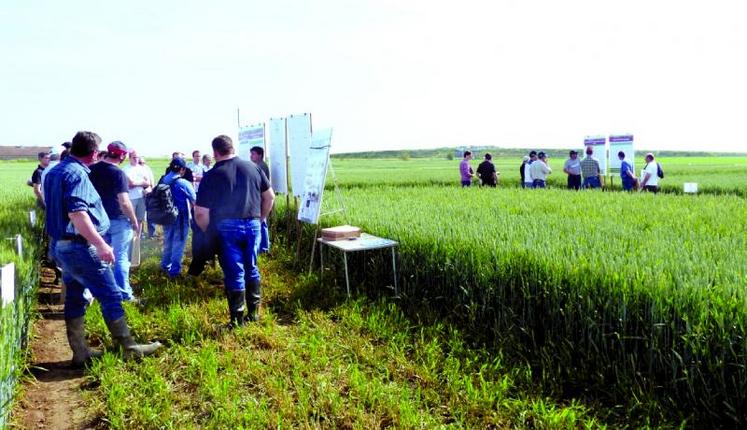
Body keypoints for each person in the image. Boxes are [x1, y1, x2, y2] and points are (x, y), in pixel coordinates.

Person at [44, 131, 160, 366]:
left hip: (62, 246)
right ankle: (128, 347)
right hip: (80, 246)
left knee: (75, 297)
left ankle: (80, 352)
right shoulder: (77, 174)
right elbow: (77, 213)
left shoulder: (55, 171)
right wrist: (101, 244)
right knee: (110, 295)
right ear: (95, 153)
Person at [195, 135, 274, 326]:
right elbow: (270, 197)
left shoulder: (212, 175)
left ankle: (237, 321)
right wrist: (260, 219)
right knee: (252, 268)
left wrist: (209, 231)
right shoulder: (253, 167)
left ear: (215, 152)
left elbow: (200, 213)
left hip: (226, 227)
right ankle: (253, 315)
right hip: (253, 224)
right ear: (232, 148)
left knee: (234, 273)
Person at [88, 141, 140, 302]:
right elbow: (124, 201)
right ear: (122, 156)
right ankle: (124, 294)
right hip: (118, 219)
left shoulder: (91, 169)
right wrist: (133, 220)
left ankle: (102, 292)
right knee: (121, 257)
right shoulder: (118, 173)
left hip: (97, 220)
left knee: (100, 257)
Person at [159, 157, 196, 278]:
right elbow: (195, 200)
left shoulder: (163, 180)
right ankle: (174, 272)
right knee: (178, 244)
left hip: (166, 216)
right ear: (182, 169)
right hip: (180, 217)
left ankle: (165, 265)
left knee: (168, 241)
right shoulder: (183, 183)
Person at [123, 149, 152, 237]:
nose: (136, 159)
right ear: (129, 158)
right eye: (134, 157)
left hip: (141, 197)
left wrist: (136, 183)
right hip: (130, 198)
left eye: (137, 157)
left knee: (140, 219)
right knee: (130, 219)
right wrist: (141, 182)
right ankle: (130, 239)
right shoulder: (125, 170)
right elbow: (129, 184)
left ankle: (137, 239)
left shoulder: (143, 169)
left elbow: (148, 183)